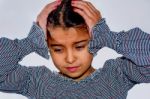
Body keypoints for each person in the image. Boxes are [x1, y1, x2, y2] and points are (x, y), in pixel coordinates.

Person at [0, 0, 149, 99]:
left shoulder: (117, 75)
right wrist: (29, 43)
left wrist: (108, 37)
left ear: (96, 39)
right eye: (58, 49)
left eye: (79, 46)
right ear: (46, 45)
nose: (70, 59)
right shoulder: (35, 81)